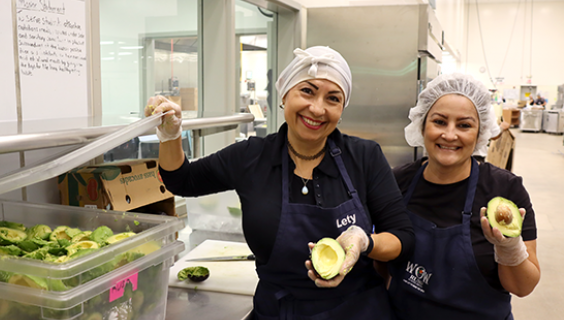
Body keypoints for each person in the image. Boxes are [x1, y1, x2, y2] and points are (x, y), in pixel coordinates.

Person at [146, 46, 414, 319]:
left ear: (341, 109)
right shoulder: (251, 156)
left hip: (358, 309)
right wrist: (171, 136)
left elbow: (402, 238)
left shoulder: (364, 156)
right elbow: (182, 180)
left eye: (333, 98)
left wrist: (365, 241)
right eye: (307, 91)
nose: (317, 108)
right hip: (280, 311)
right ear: (285, 94)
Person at [388, 73, 540, 319]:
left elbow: (523, 287)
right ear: (422, 124)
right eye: (439, 121)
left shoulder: (505, 190)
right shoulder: (397, 182)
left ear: (480, 133)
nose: (449, 135)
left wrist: (510, 249)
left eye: (464, 125)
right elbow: (382, 269)